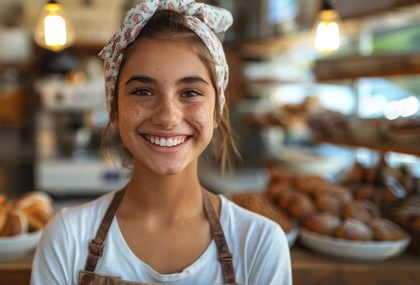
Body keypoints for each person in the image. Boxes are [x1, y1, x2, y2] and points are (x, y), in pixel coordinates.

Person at [31, 0, 292, 284]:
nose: (167, 117)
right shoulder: (68, 237)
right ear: (114, 110)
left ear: (217, 111)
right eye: (143, 91)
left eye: (190, 92)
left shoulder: (259, 243)